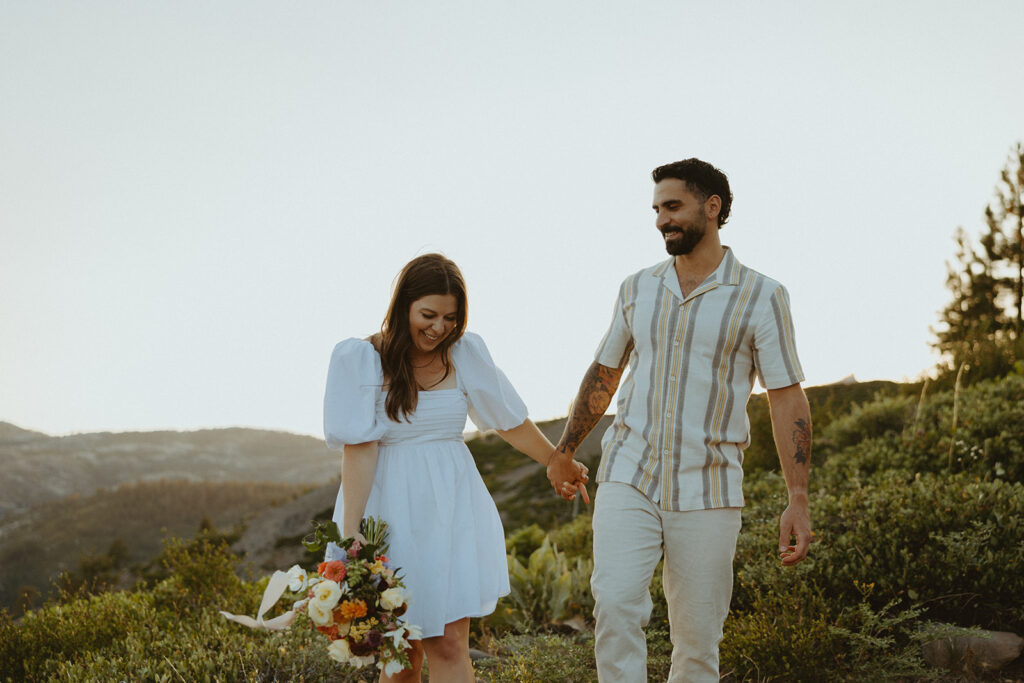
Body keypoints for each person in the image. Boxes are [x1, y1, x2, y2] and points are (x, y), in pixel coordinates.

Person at [547, 158, 813, 681]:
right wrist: (565, 449)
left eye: (672, 207)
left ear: (712, 207)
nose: (660, 220)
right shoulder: (636, 288)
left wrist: (797, 498)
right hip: (630, 472)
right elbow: (605, 372)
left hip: (710, 485)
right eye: (656, 209)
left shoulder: (763, 296)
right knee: (617, 607)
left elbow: (786, 398)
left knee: (697, 637)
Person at [322, 253, 588, 683]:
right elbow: (359, 448)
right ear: (402, 304)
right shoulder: (362, 358)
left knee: (449, 644)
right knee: (399, 656)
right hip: (387, 511)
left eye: (450, 317)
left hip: (451, 508)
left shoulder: (465, 353)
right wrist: (351, 535)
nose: (439, 327)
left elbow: (509, 421)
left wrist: (558, 460)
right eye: (428, 314)